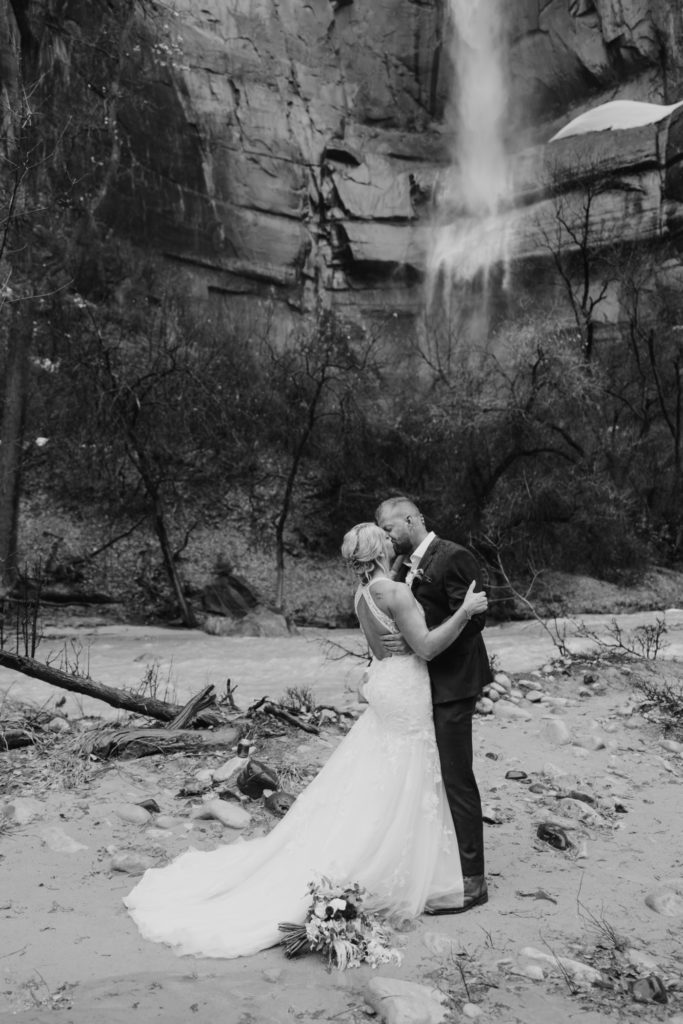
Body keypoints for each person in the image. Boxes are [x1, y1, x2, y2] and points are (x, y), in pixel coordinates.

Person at [123, 522, 488, 959]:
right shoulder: (396, 593)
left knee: (381, 773)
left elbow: (384, 642)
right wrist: (464, 611)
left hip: (385, 685)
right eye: (387, 540)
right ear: (377, 554)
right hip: (406, 689)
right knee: (408, 771)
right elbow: (426, 649)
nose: (394, 542)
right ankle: (402, 866)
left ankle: (389, 852)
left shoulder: (362, 595)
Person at [376, 496, 492, 914]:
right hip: (425, 682)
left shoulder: (454, 556)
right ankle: (444, 865)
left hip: (455, 682)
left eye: (390, 529)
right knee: (435, 776)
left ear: (411, 520)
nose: (388, 538)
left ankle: (474, 883)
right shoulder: (404, 567)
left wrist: (419, 645)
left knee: (457, 777)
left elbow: (476, 618)